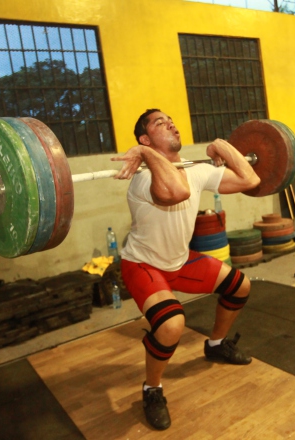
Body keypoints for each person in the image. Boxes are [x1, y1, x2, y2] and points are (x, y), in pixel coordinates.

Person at [111, 109, 261, 430]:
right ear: (145, 139)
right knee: (171, 325)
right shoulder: (142, 178)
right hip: (143, 265)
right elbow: (175, 193)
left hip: (179, 262)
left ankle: (216, 344)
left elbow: (251, 179)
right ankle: (152, 389)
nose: (170, 123)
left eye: (170, 119)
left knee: (240, 286)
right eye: (159, 122)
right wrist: (146, 156)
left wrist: (221, 146)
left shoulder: (195, 170)